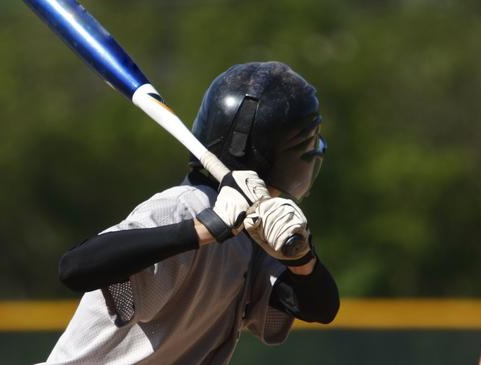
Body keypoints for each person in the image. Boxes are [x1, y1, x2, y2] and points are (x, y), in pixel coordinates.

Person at [42, 61, 340, 364]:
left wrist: (302, 260)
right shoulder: (183, 207)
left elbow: (321, 308)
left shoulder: (250, 231)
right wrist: (201, 229)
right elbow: (75, 268)